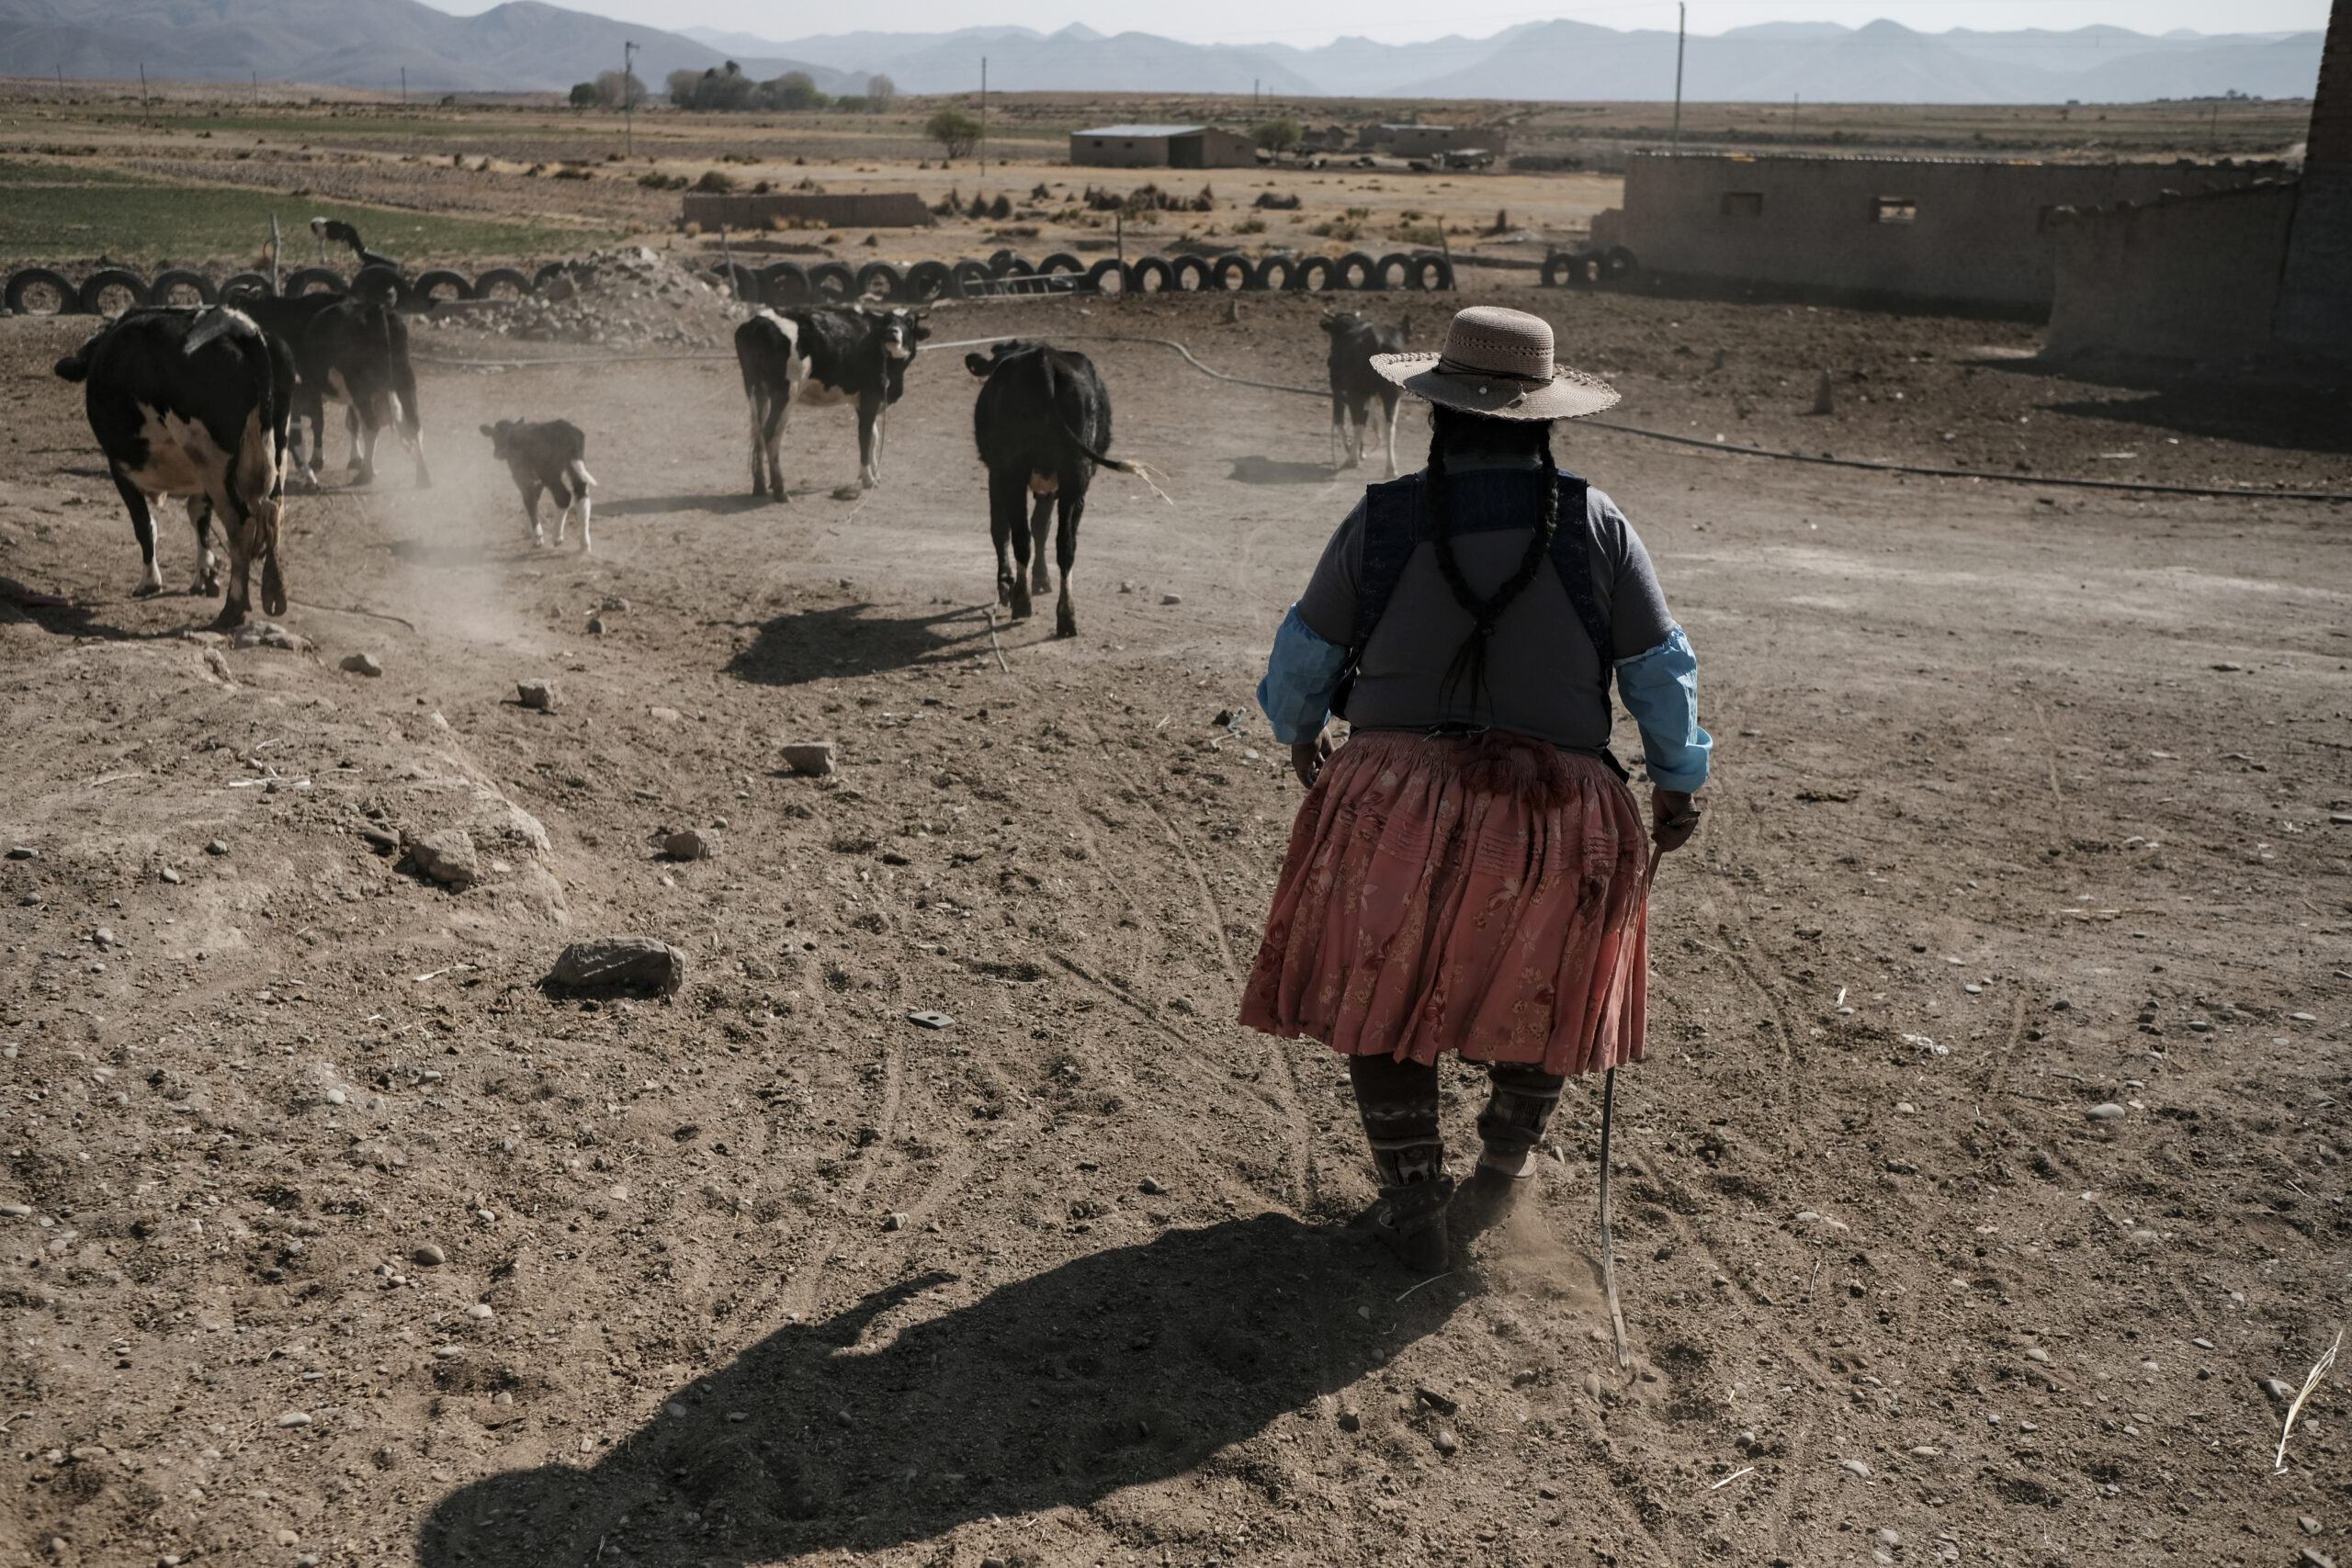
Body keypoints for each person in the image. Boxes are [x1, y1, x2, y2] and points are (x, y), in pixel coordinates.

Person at [1240, 306, 1710, 1272]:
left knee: (1380, 988)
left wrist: (1300, 730)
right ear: (1546, 420)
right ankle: (1498, 1176)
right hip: (1559, 805)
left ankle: (1413, 1196)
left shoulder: (1381, 520)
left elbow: (1306, 655)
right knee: (1550, 992)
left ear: (1434, 414)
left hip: (1390, 795)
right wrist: (1676, 780)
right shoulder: (1594, 522)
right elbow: (1657, 672)